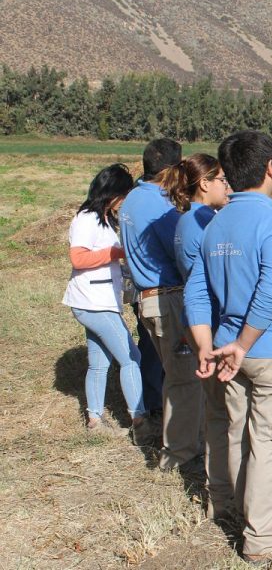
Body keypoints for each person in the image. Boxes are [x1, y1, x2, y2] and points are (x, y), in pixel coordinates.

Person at [184, 130, 272, 563]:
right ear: (270, 169)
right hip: (271, 351)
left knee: (239, 437)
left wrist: (208, 345)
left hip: (228, 352)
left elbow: (197, 292)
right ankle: (265, 540)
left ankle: (249, 512)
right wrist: (244, 343)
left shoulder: (213, 224)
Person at [120, 138, 204, 472]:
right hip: (168, 298)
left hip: (148, 299)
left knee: (174, 376)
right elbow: (181, 249)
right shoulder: (158, 206)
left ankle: (179, 441)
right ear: (171, 170)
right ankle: (181, 454)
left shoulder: (132, 198)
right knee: (185, 380)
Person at [157, 154, 233, 520]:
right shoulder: (198, 221)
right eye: (221, 180)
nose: (227, 186)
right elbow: (205, 281)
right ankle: (220, 486)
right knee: (220, 411)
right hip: (212, 325)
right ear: (204, 184)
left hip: (207, 321)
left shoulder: (193, 218)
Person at [62, 163, 151, 442]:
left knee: (99, 361)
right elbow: (78, 258)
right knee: (131, 358)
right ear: (112, 193)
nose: (124, 203)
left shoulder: (101, 218)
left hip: (96, 300)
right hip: (93, 302)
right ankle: (141, 421)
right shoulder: (87, 219)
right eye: (124, 195)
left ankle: (94, 419)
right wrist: (116, 252)